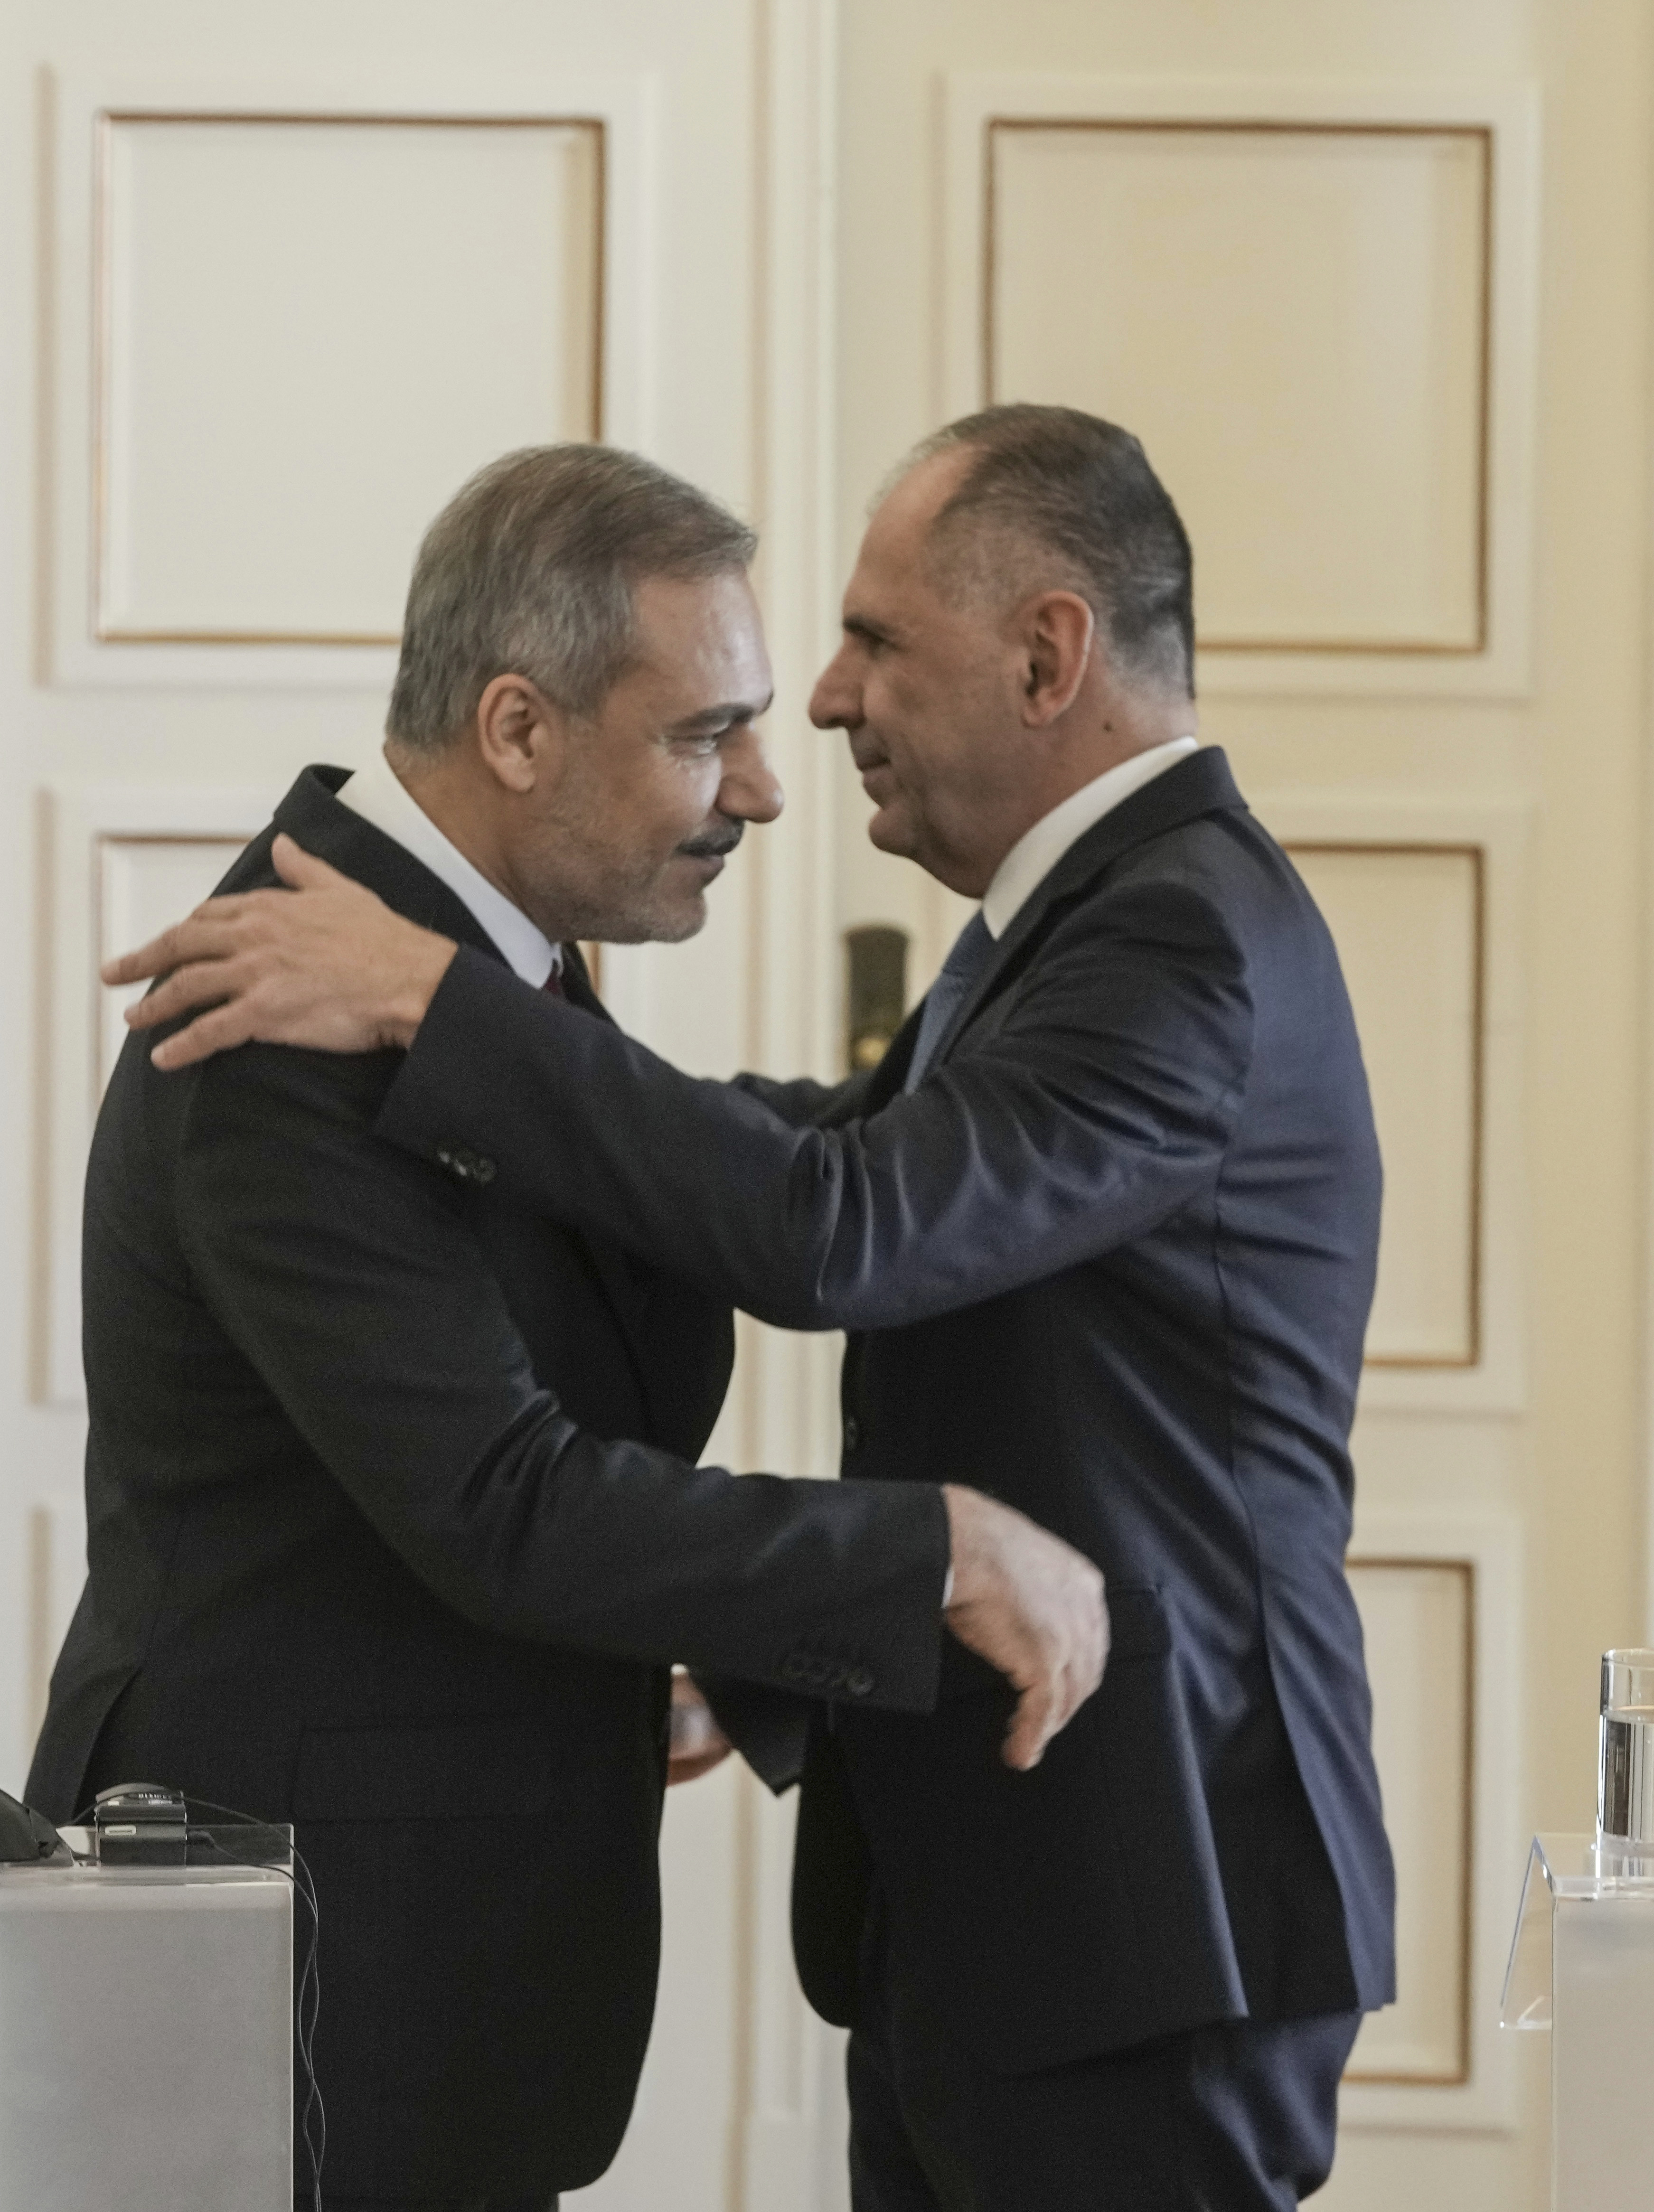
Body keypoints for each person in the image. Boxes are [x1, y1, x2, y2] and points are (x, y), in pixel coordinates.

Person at [110, 406, 1394, 2212]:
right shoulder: (295, 1019)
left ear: (1048, 655)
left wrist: (448, 1011)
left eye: (871, 642)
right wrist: (876, 1584)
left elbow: (839, 1217)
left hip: (1139, 1887)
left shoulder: (1164, 929)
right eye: (713, 726)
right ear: (518, 728)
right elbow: (523, 1469)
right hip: (342, 1954)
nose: (804, 735)